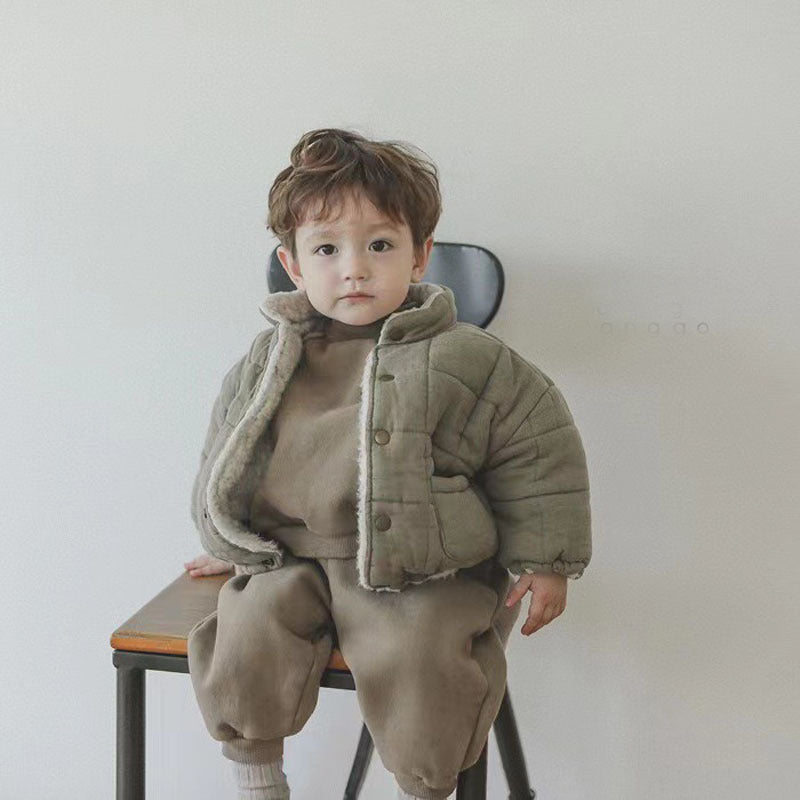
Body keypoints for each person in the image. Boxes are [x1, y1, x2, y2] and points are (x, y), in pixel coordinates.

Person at [183, 127, 592, 800]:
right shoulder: (268, 360)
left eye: (380, 245)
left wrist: (547, 561)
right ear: (293, 265)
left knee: (422, 660)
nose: (355, 268)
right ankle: (257, 778)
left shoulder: (468, 358)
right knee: (248, 634)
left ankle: (421, 788)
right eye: (327, 249)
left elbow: (536, 451)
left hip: (421, 567)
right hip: (292, 555)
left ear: (421, 255)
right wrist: (228, 534)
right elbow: (230, 450)